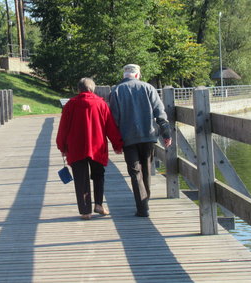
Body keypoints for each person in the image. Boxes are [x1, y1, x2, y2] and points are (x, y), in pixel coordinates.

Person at [109, 64, 172, 217]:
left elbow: (114, 119)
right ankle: (145, 200)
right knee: (146, 169)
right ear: (137, 75)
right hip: (148, 135)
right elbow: (160, 112)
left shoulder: (116, 91)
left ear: (124, 75)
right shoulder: (148, 88)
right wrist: (166, 133)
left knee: (135, 172)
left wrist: (116, 142)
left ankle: (142, 207)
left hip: (128, 137)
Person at [56, 78, 123, 220]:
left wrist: (61, 146)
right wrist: (117, 145)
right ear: (93, 89)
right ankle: (98, 204)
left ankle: (85, 211)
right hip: (97, 147)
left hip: (76, 147)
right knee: (98, 175)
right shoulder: (101, 104)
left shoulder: (70, 105)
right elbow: (110, 127)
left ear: (78, 90)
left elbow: (63, 128)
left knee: (81, 179)